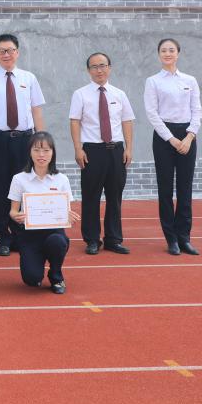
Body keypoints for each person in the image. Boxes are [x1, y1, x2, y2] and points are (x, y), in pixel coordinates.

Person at [0, 33, 46, 256]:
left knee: (25, 188)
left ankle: (22, 235)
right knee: (0, 190)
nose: (6, 54)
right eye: (2, 51)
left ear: (17, 52)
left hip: (25, 140)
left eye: (10, 50)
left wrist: (41, 141)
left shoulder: (29, 78)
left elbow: (36, 110)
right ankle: (3, 237)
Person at [69, 52, 135, 255]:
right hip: (92, 151)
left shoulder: (119, 94)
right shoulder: (80, 94)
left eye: (103, 65)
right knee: (91, 196)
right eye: (94, 66)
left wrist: (129, 148)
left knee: (115, 197)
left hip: (116, 150)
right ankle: (92, 240)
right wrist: (78, 148)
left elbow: (127, 121)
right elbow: (75, 121)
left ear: (109, 68)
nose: (99, 70)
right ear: (88, 70)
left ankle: (113, 239)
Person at [143, 38, 202, 256]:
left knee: (185, 189)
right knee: (165, 189)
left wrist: (189, 136)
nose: (167, 54)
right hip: (163, 138)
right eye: (163, 50)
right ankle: (171, 239)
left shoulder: (190, 80)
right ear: (159, 54)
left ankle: (184, 237)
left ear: (178, 53)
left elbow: (197, 110)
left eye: (171, 50)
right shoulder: (153, 81)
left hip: (187, 136)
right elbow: (152, 113)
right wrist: (171, 139)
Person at [8, 132, 79, 293]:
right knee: (32, 279)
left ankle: (56, 275)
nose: (41, 155)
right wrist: (17, 216)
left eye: (46, 150)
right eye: (37, 150)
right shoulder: (19, 179)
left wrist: (68, 216)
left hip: (54, 232)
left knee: (58, 242)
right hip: (29, 235)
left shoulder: (61, 179)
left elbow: (66, 210)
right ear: (29, 152)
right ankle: (36, 263)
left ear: (53, 153)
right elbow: (13, 211)